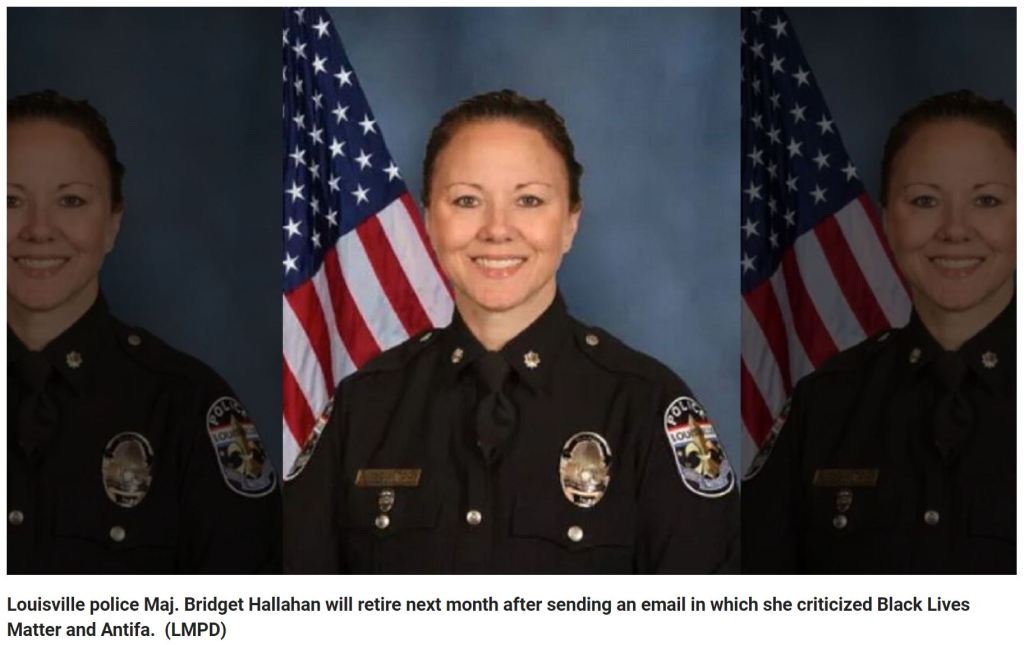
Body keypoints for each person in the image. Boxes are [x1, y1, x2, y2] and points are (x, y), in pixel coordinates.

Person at [284, 89, 739, 574]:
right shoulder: (364, 408)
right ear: (429, 222)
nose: (497, 229)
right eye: (466, 200)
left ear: (570, 222)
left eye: (529, 200)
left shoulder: (645, 407)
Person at [742, 90, 1015, 574]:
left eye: (987, 200)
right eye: (925, 200)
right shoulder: (824, 405)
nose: (955, 230)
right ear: (887, 220)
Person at [7, 90, 280, 573]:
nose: (38, 229)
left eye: (71, 200)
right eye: (10, 200)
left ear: (113, 223)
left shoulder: (188, 408)